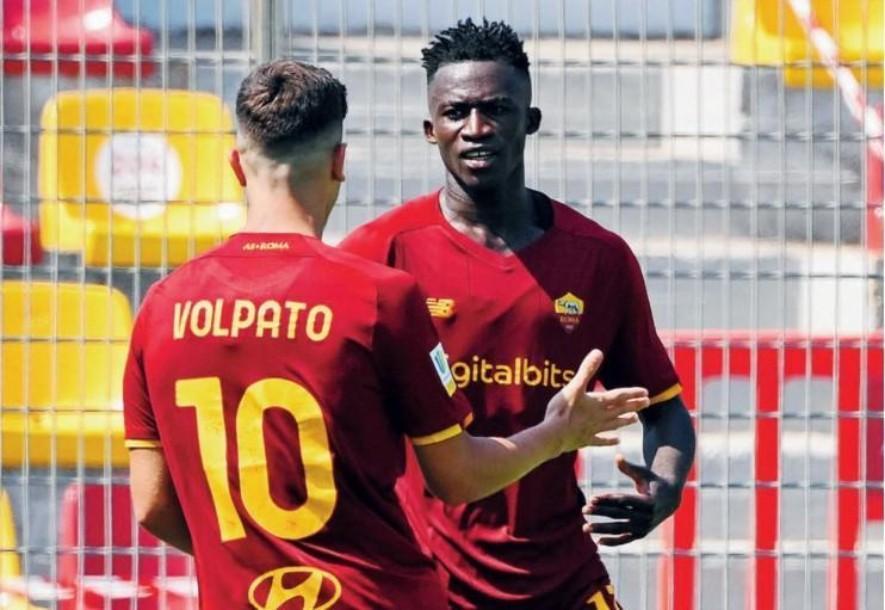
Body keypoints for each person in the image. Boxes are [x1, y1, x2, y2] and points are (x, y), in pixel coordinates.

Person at [123, 59, 650, 610]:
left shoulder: (163, 306)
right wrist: (557, 434)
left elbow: (152, 505)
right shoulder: (378, 297)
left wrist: (253, 560)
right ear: (339, 162)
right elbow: (460, 476)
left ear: (236, 165)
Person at [339, 18, 697, 610]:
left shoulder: (598, 259)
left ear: (529, 121)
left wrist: (664, 489)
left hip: (561, 577)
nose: (476, 129)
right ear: (431, 130)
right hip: (424, 582)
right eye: (456, 114)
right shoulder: (381, 253)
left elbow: (665, 411)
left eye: (496, 110)